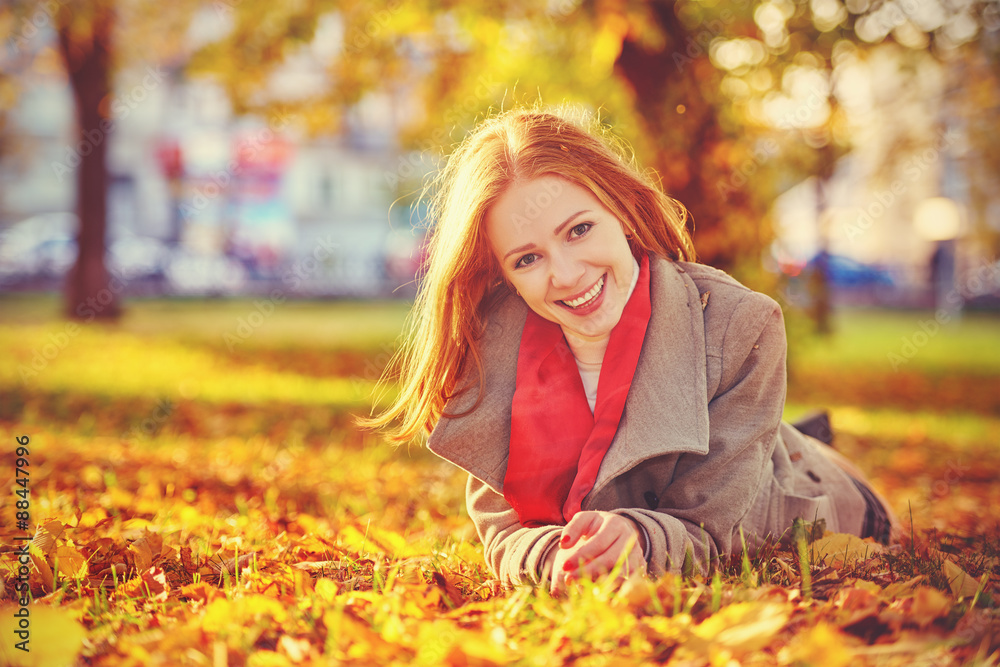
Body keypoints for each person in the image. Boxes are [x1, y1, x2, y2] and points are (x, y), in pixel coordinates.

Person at [362, 108, 897, 594]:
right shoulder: (489, 352)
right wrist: (555, 557)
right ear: (502, 277)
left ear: (619, 206)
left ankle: (803, 437)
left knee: (792, 453)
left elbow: (710, 528)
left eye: (579, 229)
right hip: (746, 453)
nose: (566, 275)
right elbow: (503, 533)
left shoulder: (742, 325)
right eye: (527, 259)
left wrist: (638, 540)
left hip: (806, 488)